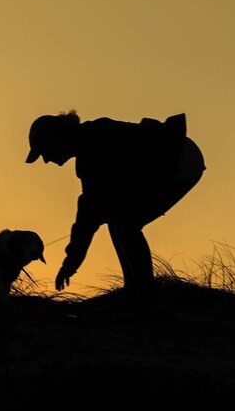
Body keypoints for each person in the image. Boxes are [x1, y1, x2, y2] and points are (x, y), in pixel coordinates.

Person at [25, 110, 205, 295]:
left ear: (57, 138)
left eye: (44, 151)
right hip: (171, 159)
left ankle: (145, 293)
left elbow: (88, 215)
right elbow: (91, 212)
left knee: (124, 222)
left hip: (179, 158)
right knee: (119, 219)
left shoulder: (92, 145)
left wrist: (70, 263)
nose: (46, 160)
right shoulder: (88, 145)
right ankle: (135, 289)